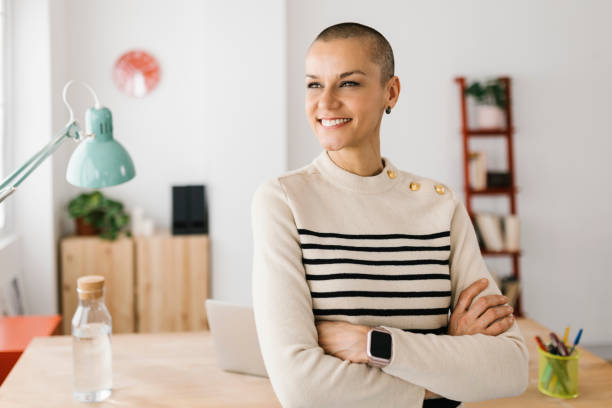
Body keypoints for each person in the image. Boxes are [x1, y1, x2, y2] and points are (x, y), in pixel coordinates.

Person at [251, 22, 528, 408]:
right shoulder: (283, 201)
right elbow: (302, 389)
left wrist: (370, 343)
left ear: (390, 92)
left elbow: (511, 367)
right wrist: (448, 366)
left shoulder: (439, 204)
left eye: (348, 83)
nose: (325, 102)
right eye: (314, 84)